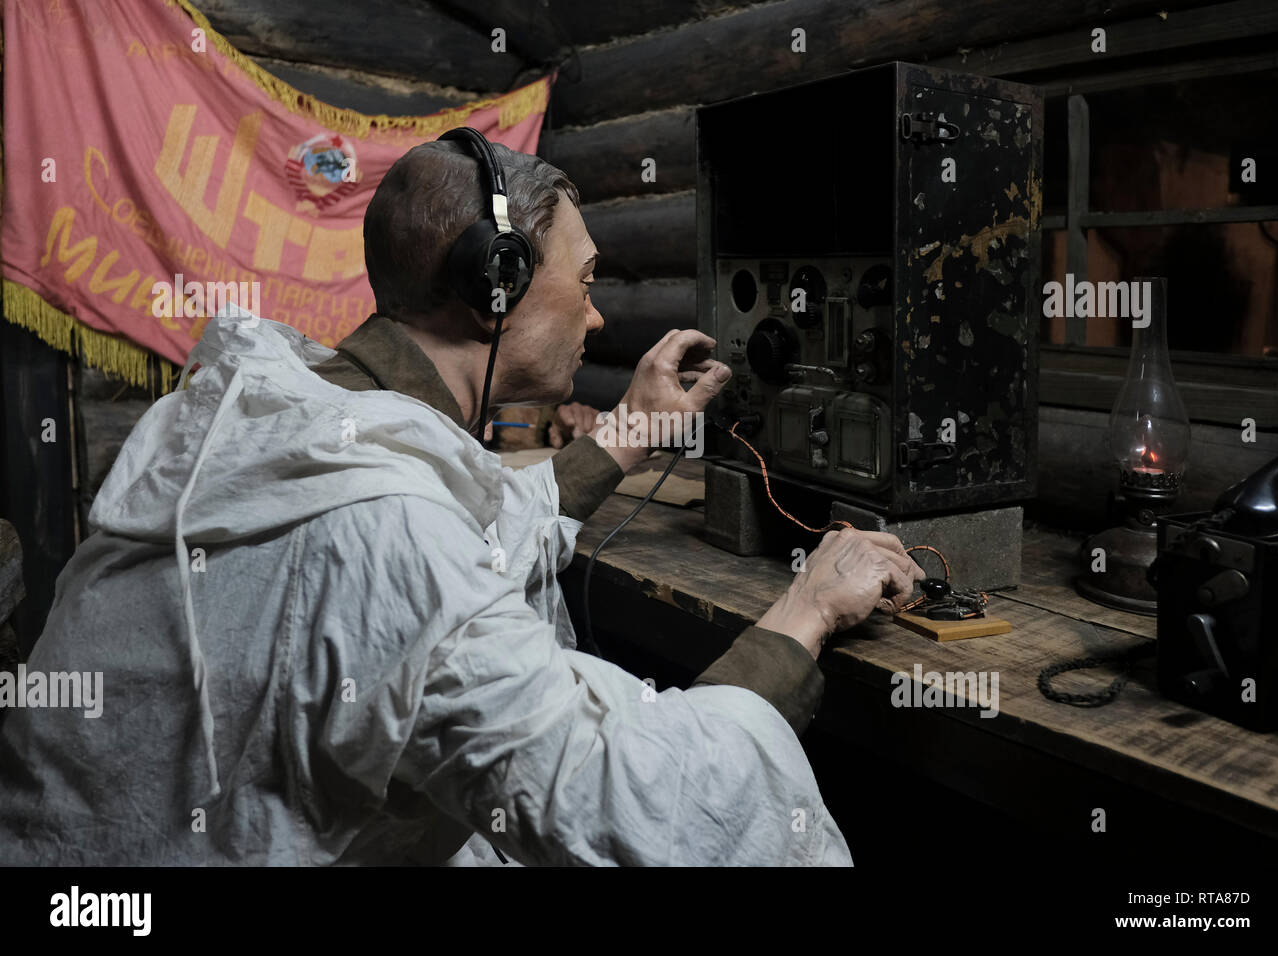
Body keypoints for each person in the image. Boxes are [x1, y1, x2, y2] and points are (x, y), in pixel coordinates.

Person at [0, 135, 924, 866]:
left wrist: (627, 435)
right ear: (499, 285)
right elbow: (627, 799)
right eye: (588, 280)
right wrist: (803, 610)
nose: (597, 315)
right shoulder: (385, 522)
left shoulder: (273, 413)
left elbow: (467, 516)